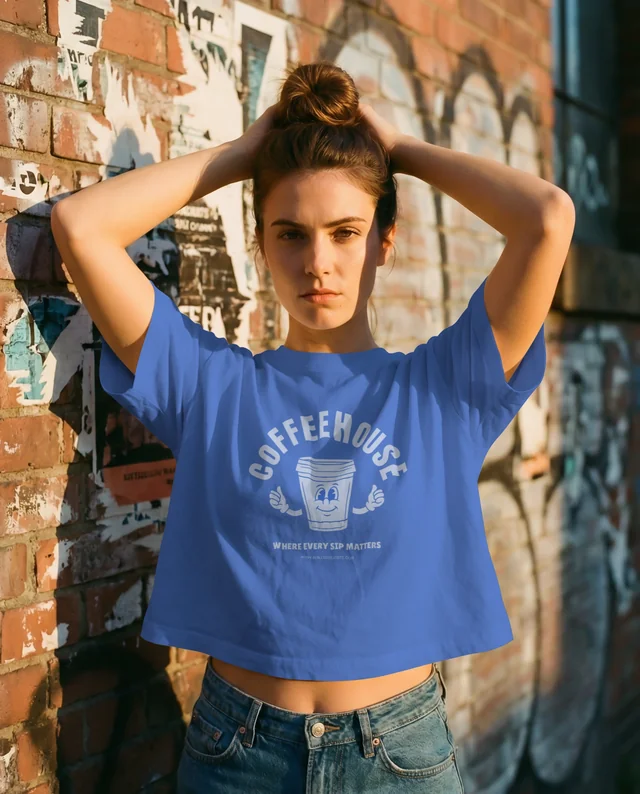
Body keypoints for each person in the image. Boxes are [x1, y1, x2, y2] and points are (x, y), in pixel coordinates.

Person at [51, 61, 575, 793]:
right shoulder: (211, 386)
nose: (318, 263)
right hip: (237, 752)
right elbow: (81, 227)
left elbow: (547, 218)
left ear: (384, 240)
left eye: (346, 231)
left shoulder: (442, 388)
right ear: (263, 244)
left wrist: (399, 149)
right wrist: (245, 153)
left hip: (399, 757)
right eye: (290, 233)